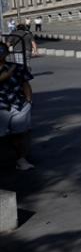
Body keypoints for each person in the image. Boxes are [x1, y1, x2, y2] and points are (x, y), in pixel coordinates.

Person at [0, 42, 35, 170]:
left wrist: (29, 101)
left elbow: (25, 83)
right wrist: (7, 75)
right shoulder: (12, 69)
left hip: (18, 105)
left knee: (19, 135)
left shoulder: (17, 67)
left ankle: (21, 160)